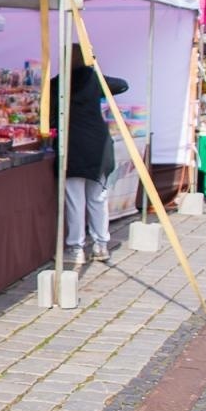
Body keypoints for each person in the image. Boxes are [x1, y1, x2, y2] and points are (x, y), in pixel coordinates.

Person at [50, 43, 127, 265]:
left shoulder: (59, 83)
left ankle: (76, 249)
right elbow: (122, 85)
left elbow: (50, 114)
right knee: (98, 197)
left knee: (75, 199)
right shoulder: (95, 80)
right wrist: (96, 70)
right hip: (98, 144)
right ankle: (101, 245)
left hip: (72, 143)